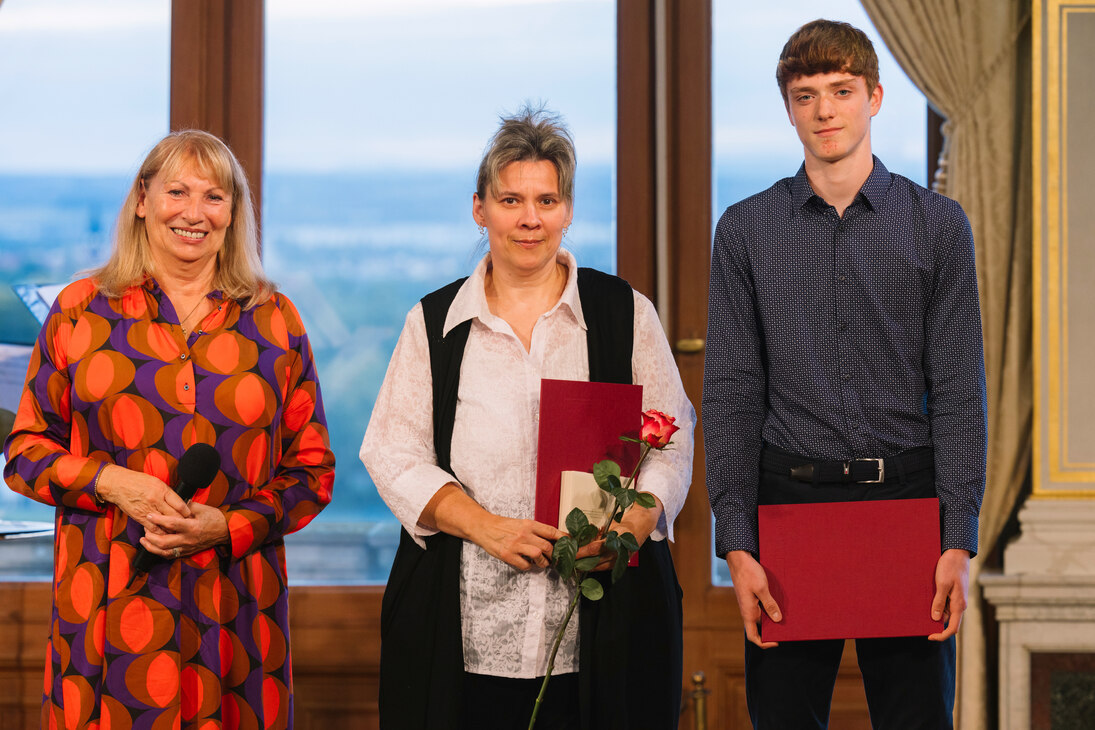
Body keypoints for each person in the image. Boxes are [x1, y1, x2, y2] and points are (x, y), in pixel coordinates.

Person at [361, 106, 694, 730]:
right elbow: (393, 453)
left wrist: (633, 524)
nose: (529, 218)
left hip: (601, 629)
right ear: (480, 208)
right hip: (463, 627)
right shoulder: (433, 323)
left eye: (547, 199)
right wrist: (487, 527)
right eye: (510, 199)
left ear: (568, 210)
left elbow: (671, 443)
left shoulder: (625, 314)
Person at [702, 19, 987, 729]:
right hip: (789, 510)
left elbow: (957, 392)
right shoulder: (744, 230)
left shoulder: (938, 227)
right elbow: (733, 393)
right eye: (805, 95)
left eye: (840, 90)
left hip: (908, 511)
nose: (823, 110)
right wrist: (736, 543)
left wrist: (957, 538)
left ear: (874, 97)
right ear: (788, 107)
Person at [3, 129, 335, 729]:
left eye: (214, 196)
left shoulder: (276, 320)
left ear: (234, 213)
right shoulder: (79, 311)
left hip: (236, 621)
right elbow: (24, 451)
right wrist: (110, 483)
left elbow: (312, 473)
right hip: (107, 620)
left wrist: (227, 526)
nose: (194, 212)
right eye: (176, 191)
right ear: (141, 200)